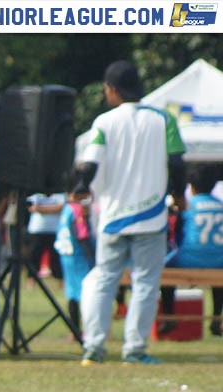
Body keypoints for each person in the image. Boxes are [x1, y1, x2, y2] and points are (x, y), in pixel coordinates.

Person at [75, 59, 185, 366]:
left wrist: (82, 187)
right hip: (151, 216)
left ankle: (94, 347)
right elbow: (177, 163)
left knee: (104, 279)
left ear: (111, 90)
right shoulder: (164, 120)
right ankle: (134, 349)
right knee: (146, 283)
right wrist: (178, 196)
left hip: (113, 217)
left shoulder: (104, 123)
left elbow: (89, 165)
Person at [159, 164, 223, 336]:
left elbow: (176, 234)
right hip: (219, 261)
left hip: (189, 259)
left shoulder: (188, 206)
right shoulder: (221, 205)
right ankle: (216, 318)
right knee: (219, 271)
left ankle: (168, 316)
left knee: (166, 269)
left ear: (192, 187)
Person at [53, 187, 95, 338]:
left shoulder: (66, 209)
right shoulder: (77, 210)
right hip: (80, 257)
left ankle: (74, 330)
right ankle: (88, 330)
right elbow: (82, 235)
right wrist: (94, 257)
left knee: (72, 294)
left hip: (66, 256)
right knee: (87, 294)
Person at [26, 191, 65, 280]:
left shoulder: (59, 194)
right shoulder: (36, 195)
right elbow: (31, 208)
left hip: (55, 230)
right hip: (36, 230)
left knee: (56, 258)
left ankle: (59, 278)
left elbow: (61, 208)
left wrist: (40, 209)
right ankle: (31, 279)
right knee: (34, 255)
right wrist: (51, 209)